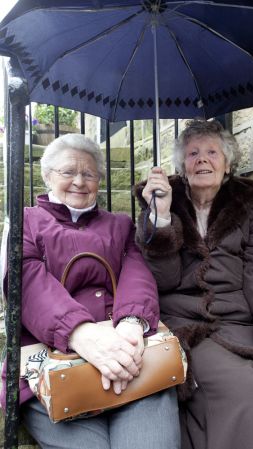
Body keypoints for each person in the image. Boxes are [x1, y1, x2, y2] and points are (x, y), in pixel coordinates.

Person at [0, 133, 180, 449]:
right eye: (68, 172)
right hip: (55, 363)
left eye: (89, 174)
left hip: (128, 355)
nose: (79, 181)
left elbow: (136, 274)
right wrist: (81, 335)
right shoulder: (25, 222)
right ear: (47, 176)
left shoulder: (120, 225)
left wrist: (131, 326)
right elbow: (25, 282)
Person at [135, 119, 253, 449]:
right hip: (188, 326)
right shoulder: (159, 205)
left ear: (227, 164)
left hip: (242, 323)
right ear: (182, 165)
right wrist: (163, 218)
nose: (202, 159)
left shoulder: (248, 210)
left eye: (212, 152)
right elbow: (162, 281)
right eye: (193, 153)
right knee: (247, 392)